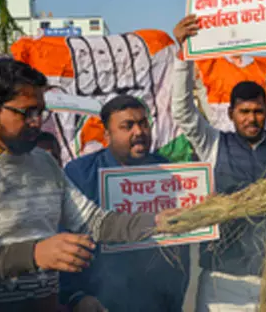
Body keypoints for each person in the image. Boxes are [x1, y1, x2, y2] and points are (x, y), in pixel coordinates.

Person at [0, 60, 173, 312]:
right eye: (27, 113)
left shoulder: (45, 163)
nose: (37, 122)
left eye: (41, 112)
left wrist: (157, 222)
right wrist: (34, 254)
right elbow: (36, 254)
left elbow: (96, 223)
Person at [172, 16, 266, 311]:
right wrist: (183, 55)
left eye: (258, 111)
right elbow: (183, 111)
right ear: (232, 112)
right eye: (244, 111)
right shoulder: (214, 144)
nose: (252, 118)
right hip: (221, 281)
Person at [59, 95, 191, 311]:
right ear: (107, 135)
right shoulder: (80, 174)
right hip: (101, 301)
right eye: (127, 126)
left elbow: (181, 243)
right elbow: (65, 238)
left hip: (159, 299)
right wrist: (75, 296)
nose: (139, 132)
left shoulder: (169, 171)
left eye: (143, 123)